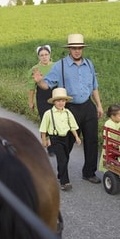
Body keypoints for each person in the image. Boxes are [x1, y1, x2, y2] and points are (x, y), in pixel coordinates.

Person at [33, 33, 104, 184]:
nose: (77, 51)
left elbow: (94, 87)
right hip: (70, 108)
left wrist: (98, 105)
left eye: (79, 48)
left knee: (91, 141)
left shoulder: (89, 64)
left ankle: (89, 172)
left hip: (88, 105)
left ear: (82, 49)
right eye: (74, 48)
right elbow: (47, 84)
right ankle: (63, 176)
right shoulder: (60, 66)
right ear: (69, 49)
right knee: (66, 142)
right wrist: (39, 82)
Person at [39, 87, 82, 191]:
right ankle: (65, 182)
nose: (60, 103)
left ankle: (60, 174)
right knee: (62, 159)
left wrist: (76, 137)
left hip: (66, 137)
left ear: (66, 102)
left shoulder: (67, 112)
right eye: (58, 101)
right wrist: (44, 140)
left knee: (65, 158)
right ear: (54, 102)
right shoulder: (48, 114)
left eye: (63, 101)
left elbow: (72, 126)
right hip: (55, 138)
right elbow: (43, 128)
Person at [98, 103, 120, 172]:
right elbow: (106, 135)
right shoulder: (108, 123)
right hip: (110, 144)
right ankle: (107, 171)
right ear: (112, 116)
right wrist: (111, 142)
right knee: (109, 156)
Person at [27, 44, 54, 119]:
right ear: (38, 57)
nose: (44, 57)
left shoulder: (56, 66)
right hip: (42, 97)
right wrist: (31, 102)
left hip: (56, 95)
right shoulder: (35, 69)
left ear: (49, 55)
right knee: (45, 119)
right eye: (41, 55)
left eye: (46, 54)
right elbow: (31, 88)